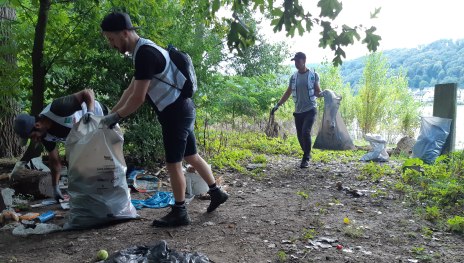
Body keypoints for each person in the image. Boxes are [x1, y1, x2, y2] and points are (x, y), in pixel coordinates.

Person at [99, 12, 228, 227]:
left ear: (124, 33)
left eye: (111, 39)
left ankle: (180, 212)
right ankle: (216, 193)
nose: (112, 45)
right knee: (192, 156)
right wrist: (111, 114)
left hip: (175, 113)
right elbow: (131, 90)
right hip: (183, 109)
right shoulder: (144, 49)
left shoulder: (145, 54)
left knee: (174, 164)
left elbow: (138, 98)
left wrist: (116, 118)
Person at [13, 89, 106, 200]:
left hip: (101, 116)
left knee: (108, 159)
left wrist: (90, 112)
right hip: (85, 135)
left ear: (37, 125)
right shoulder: (45, 136)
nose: (35, 140)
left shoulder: (58, 108)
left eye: (32, 136)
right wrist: (55, 187)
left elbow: (88, 92)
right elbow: (54, 161)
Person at [271, 52, 323, 168]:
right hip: (298, 111)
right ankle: (306, 152)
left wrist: (323, 94)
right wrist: (278, 104)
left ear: (304, 60)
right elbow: (288, 92)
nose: (296, 64)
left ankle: (306, 158)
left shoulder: (313, 75)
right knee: (300, 136)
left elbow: (317, 91)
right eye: (294, 61)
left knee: (305, 132)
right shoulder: (293, 77)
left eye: (298, 61)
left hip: (310, 109)